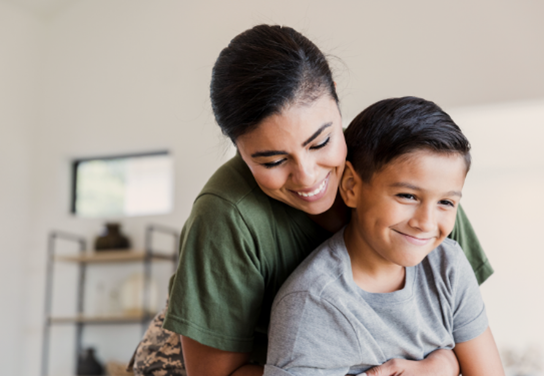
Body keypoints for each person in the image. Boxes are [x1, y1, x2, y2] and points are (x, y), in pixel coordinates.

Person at [129, 25, 493, 376]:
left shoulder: (408, 183)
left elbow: (461, 325)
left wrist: (445, 362)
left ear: (334, 95)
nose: (307, 176)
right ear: (238, 148)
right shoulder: (227, 215)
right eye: (272, 160)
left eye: (320, 142)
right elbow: (215, 374)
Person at [264, 97, 504, 376]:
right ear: (351, 186)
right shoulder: (312, 303)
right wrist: (449, 363)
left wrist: (444, 365)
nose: (425, 223)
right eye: (407, 196)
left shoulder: (448, 265)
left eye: (446, 203)